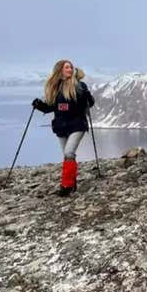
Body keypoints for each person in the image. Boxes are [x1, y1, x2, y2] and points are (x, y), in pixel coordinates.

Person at [32, 59, 95, 196]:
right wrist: (39, 106)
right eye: (67, 67)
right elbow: (51, 107)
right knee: (68, 156)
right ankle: (71, 185)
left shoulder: (79, 86)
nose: (70, 69)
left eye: (71, 67)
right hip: (61, 127)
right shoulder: (56, 88)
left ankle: (66, 186)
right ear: (60, 70)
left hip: (77, 125)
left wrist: (86, 96)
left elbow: (90, 103)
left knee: (69, 153)